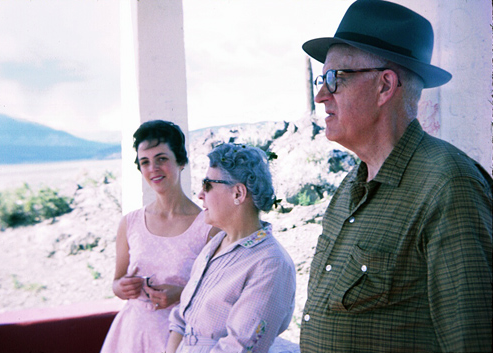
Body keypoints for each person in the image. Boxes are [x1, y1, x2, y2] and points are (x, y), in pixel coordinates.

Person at [299, 1, 492, 352]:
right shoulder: (348, 189)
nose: (321, 95)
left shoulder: (448, 186)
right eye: (320, 78)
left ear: (385, 86)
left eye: (334, 79)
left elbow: (474, 341)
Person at [101, 120, 219, 353]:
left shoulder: (208, 227)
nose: (153, 168)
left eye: (162, 159)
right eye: (145, 162)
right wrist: (122, 287)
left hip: (181, 340)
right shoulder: (130, 223)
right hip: (130, 337)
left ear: (181, 161)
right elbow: (116, 284)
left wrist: (181, 294)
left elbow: (218, 294)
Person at [166, 143, 296, 353]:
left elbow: (241, 346)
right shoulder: (214, 246)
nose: (200, 194)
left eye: (207, 185)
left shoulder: (271, 264)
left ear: (238, 193)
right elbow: (181, 320)